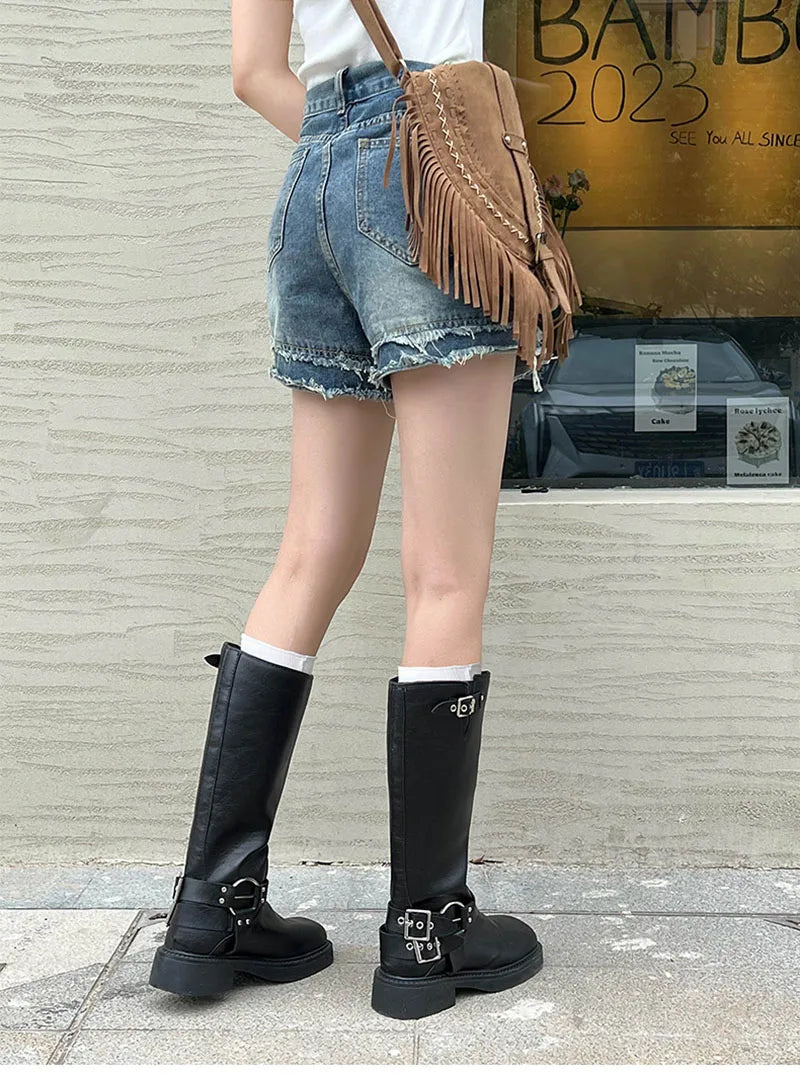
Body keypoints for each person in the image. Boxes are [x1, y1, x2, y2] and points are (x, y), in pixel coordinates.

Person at [149, 0, 543, 1020]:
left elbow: (253, 71)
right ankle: (426, 932)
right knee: (445, 570)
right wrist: (409, 161)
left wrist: (351, 156)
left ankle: (211, 909)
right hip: (428, 161)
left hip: (312, 178)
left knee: (310, 551)